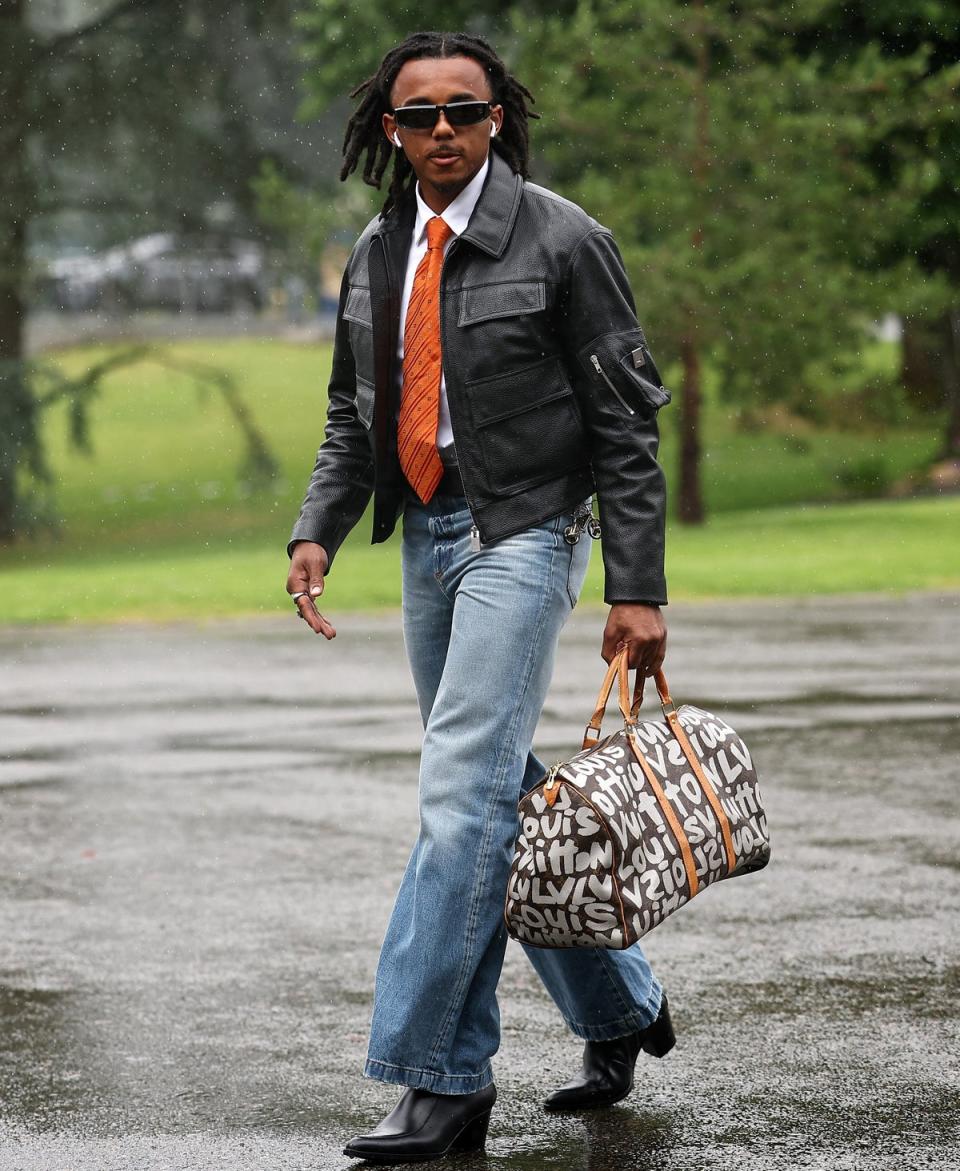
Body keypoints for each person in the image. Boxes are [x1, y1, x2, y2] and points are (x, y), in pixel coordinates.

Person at [285, 30, 675, 1165]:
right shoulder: (376, 249)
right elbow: (352, 412)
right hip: (425, 537)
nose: (443, 130)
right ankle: (622, 1005)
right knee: (496, 786)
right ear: (393, 132)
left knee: (457, 797)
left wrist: (636, 587)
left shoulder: (562, 238)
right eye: (421, 116)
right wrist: (318, 528)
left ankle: (442, 1082)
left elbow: (625, 421)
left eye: (466, 109)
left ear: (497, 116)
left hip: (527, 532)